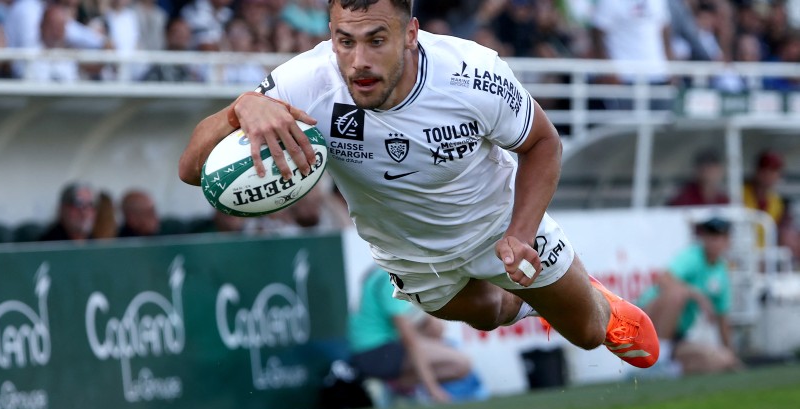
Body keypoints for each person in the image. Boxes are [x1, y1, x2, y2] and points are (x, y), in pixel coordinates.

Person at [178, 0, 661, 371]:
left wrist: (521, 231)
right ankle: (532, 304)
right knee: (489, 314)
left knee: (588, 331)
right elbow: (190, 168)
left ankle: (597, 301)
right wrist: (240, 108)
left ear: (411, 34)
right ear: (330, 34)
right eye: (345, 41)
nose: (358, 61)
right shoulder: (304, 82)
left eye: (376, 40)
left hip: (499, 224)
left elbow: (543, 144)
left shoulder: (472, 75)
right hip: (408, 252)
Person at [348, 266, 473, 404]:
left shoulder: (383, 272)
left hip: (370, 351)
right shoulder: (389, 278)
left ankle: (400, 385)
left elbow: (430, 327)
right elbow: (410, 341)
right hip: (375, 353)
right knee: (461, 364)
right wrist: (433, 390)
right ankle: (398, 386)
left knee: (434, 328)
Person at [637, 217, 743, 376]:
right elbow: (663, 280)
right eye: (710, 236)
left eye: (718, 237)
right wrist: (697, 295)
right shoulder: (692, 256)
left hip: (676, 336)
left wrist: (732, 355)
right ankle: (656, 360)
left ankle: (666, 368)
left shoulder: (721, 271)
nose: (713, 242)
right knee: (678, 293)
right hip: (646, 322)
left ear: (727, 241)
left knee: (722, 360)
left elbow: (723, 319)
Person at [743, 149, 800, 263]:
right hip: (744, 257)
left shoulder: (776, 201)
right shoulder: (740, 195)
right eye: (766, 169)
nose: (770, 175)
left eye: (775, 170)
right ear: (758, 171)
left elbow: (781, 232)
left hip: (768, 259)